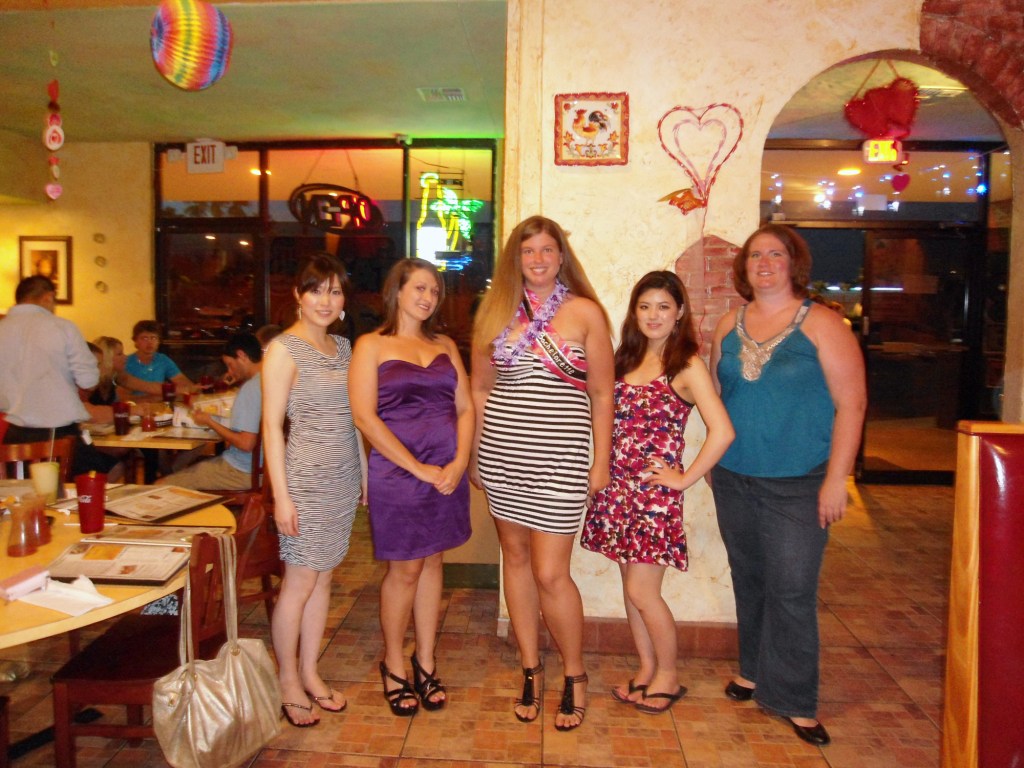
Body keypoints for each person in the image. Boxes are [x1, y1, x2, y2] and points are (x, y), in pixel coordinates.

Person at [709, 223, 866, 747]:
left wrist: (837, 478)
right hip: (734, 477)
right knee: (749, 578)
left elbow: (852, 404)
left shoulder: (823, 324)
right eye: (756, 255)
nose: (765, 263)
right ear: (744, 267)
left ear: (793, 263)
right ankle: (753, 671)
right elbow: (716, 398)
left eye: (776, 254)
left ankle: (795, 698)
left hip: (800, 482)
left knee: (792, 589)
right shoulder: (728, 324)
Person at [470, 215, 614, 731]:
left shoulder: (585, 313)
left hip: (561, 460)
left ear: (561, 256)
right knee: (514, 559)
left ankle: (575, 673)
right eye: (527, 250)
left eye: (547, 249)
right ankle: (530, 667)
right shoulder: (494, 312)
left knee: (551, 573)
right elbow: (480, 389)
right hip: (503, 455)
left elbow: (602, 393)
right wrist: (475, 455)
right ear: (516, 258)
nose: (537, 259)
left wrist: (601, 460)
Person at [580, 271, 734, 714]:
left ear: (679, 312)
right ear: (634, 312)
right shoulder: (623, 359)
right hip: (617, 491)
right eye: (645, 306)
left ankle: (668, 674)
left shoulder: (686, 365)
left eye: (663, 307)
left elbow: (723, 432)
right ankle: (647, 669)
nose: (653, 315)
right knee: (631, 589)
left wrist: (684, 478)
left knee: (644, 592)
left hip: (652, 499)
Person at [350, 258, 473, 716]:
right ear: (397, 291)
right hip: (398, 473)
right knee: (404, 570)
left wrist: (460, 461)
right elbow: (365, 417)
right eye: (419, 288)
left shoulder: (444, 344)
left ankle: (426, 659)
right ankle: (394, 663)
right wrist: (417, 468)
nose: (428, 297)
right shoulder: (371, 345)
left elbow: (465, 408)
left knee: (434, 561)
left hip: (446, 470)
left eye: (435, 291)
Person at [262, 253, 364, 728]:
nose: (326, 300)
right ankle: (287, 679)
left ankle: (309, 671)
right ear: (298, 296)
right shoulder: (283, 349)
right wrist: (282, 497)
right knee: (299, 581)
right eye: (316, 290)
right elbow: (271, 428)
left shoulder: (344, 348)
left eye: (335, 291)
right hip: (304, 480)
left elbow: (354, 417)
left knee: (323, 579)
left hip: (342, 478)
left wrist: (364, 472)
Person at [0, 276, 115, 476]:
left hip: (14, 433)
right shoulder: (62, 327)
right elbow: (88, 380)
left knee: (24, 491)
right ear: (48, 297)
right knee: (90, 481)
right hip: (56, 432)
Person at [157, 333, 263, 490]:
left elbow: (246, 443)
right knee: (190, 469)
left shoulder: (250, 389)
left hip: (241, 471)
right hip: (264, 469)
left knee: (160, 486)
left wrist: (209, 421)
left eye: (230, 364)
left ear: (241, 355)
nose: (230, 371)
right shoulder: (269, 379)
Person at [120, 320, 195, 398]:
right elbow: (122, 396)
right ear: (136, 341)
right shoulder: (126, 363)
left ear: (159, 341)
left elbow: (182, 381)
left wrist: (194, 389)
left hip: (159, 403)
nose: (150, 342)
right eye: (144, 338)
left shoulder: (162, 360)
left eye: (153, 338)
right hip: (137, 404)